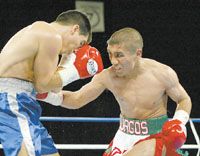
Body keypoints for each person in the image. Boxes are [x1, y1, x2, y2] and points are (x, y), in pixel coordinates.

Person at [40, 27, 192, 156]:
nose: (113, 61)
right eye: (110, 54)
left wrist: (179, 121)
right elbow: (77, 99)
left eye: (119, 55)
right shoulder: (108, 76)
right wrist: (46, 95)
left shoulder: (162, 73)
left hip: (156, 136)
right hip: (124, 135)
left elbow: (183, 99)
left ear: (137, 54)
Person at [0, 10, 104, 156]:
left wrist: (65, 63)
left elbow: (50, 88)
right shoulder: (51, 36)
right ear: (75, 29)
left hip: (20, 100)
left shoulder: (41, 32)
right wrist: (74, 72)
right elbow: (42, 85)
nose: (76, 49)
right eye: (80, 43)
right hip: (10, 100)